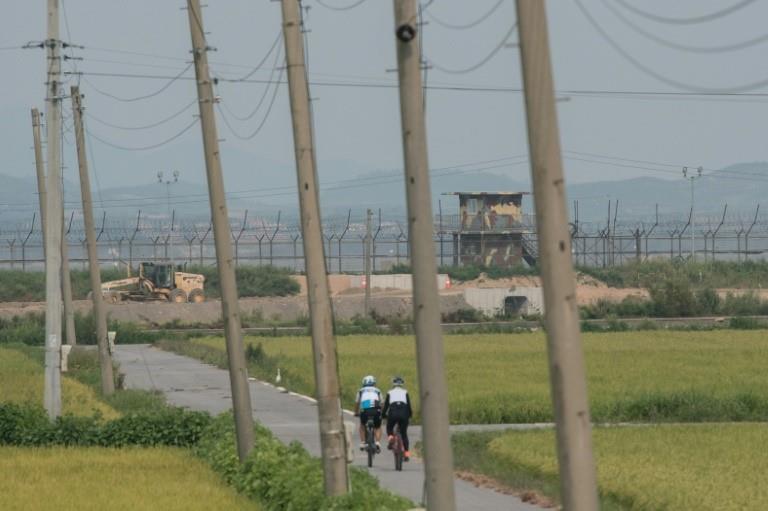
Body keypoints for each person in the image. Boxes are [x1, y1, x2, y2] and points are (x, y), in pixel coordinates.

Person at [382, 375, 413, 461]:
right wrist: (410, 414)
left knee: (389, 427)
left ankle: (391, 438)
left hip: (393, 412)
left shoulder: (390, 392)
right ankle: (407, 454)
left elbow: (386, 406)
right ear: (402, 384)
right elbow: (409, 405)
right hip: (404, 412)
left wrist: (383, 415)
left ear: (393, 384)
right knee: (404, 434)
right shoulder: (405, 392)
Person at [354, 375, 382, 452]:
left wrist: (356, 412)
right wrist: (382, 412)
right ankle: (377, 442)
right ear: (374, 383)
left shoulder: (360, 391)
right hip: (376, 409)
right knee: (377, 427)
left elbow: (357, 403)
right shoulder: (377, 390)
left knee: (362, 426)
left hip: (365, 410)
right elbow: (382, 403)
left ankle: (363, 442)